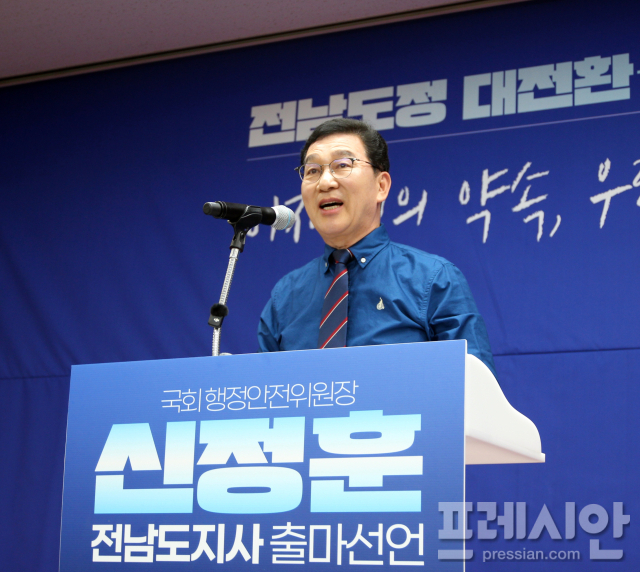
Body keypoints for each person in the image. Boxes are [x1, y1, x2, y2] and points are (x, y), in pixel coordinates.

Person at [258, 118, 497, 377]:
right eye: (312, 170)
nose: (325, 182)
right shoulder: (285, 296)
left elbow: (476, 387)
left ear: (381, 186)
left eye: (342, 165)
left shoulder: (433, 279)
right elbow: (263, 391)